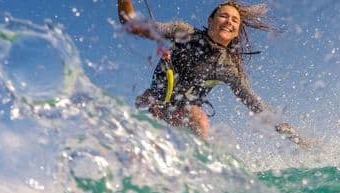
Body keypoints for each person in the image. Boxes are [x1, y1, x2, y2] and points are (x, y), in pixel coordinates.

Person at [118, 0, 301, 142]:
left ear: (236, 32)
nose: (229, 21)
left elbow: (254, 102)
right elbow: (132, 25)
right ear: (210, 20)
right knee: (142, 113)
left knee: (199, 119)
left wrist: (282, 126)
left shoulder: (228, 68)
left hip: (183, 112)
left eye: (235, 20)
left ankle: (200, 170)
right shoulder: (184, 33)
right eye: (223, 16)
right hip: (154, 103)